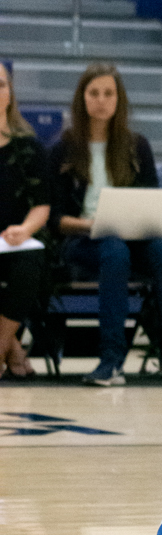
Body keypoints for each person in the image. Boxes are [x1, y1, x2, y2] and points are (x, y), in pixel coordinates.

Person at [50, 64, 162, 388]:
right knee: (114, 252)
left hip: (132, 234)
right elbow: (55, 218)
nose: (101, 100)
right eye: (94, 93)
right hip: (84, 239)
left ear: (120, 100)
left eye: (108, 93)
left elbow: (151, 198)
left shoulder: (136, 146)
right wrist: (89, 224)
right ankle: (111, 361)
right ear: (81, 98)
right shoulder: (64, 148)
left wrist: (139, 220)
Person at [0, 62, 48, 380]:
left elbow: (42, 205)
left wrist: (25, 229)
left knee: (32, 256)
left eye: (1, 85)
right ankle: (13, 347)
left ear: (10, 93)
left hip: (13, 240)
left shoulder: (28, 147)